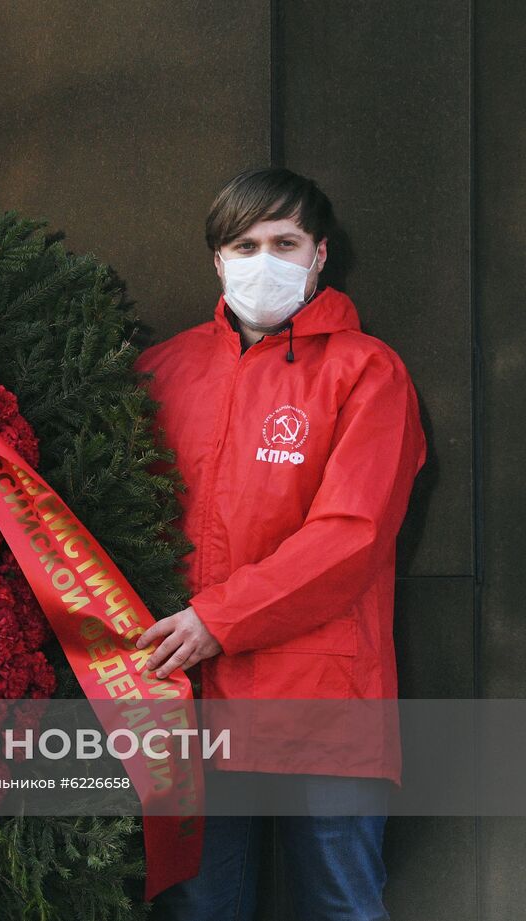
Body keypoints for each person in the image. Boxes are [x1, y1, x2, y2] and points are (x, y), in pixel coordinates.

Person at [132, 167, 425, 920]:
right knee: (196, 910)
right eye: (245, 243)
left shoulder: (369, 372)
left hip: (324, 701)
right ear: (218, 261)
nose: (265, 259)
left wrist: (215, 621)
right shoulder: (161, 371)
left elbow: (349, 538)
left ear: (320, 254)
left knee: (341, 908)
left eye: (284, 241)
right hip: (193, 706)